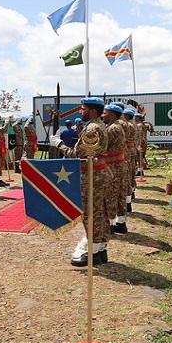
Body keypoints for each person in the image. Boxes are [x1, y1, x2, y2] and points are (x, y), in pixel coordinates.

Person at [51, 97, 113, 267]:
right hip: (98, 173)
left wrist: (59, 144)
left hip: (92, 176)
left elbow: (76, 154)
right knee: (99, 212)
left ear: (92, 111)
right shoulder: (99, 125)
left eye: (83, 109)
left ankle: (92, 253)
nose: (80, 111)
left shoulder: (92, 129)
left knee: (90, 214)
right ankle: (99, 250)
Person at [101, 103, 129, 234]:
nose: (102, 115)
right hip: (119, 163)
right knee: (119, 195)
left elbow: (102, 148)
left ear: (112, 115)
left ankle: (111, 225)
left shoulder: (112, 129)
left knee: (110, 195)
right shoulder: (118, 126)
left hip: (113, 165)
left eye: (105, 113)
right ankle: (121, 222)